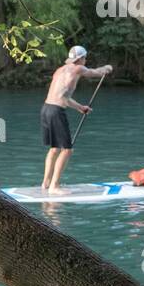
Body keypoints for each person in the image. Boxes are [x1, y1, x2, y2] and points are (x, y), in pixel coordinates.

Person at [40, 46, 112, 194]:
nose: (85, 61)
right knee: (67, 150)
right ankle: (55, 186)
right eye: (84, 58)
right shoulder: (78, 69)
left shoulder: (59, 70)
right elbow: (95, 73)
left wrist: (80, 107)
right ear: (80, 59)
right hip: (56, 112)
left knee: (54, 149)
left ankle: (46, 183)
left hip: (46, 109)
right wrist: (106, 68)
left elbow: (63, 96)